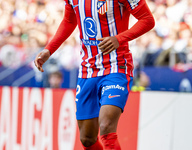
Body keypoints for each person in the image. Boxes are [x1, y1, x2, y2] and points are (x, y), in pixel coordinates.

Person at [34, 0, 155, 149]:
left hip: (116, 66)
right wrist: (49, 49)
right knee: (87, 138)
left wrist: (119, 38)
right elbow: (69, 21)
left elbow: (147, 20)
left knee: (106, 126)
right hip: (88, 69)